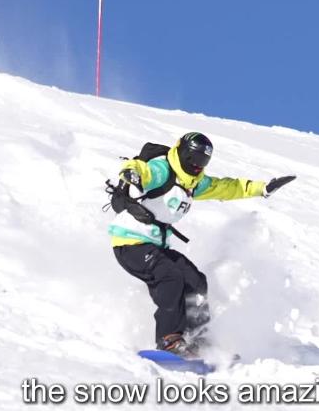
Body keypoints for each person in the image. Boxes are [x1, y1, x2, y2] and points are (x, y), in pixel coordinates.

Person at [107, 132, 296, 357]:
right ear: (181, 152)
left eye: (202, 160)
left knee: (195, 281)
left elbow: (228, 187)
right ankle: (169, 339)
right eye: (192, 158)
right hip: (130, 242)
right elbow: (141, 169)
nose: (196, 165)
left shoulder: (194, 183)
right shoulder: (164, 169)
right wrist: (132, 173)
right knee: (170, 277)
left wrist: (262, 188)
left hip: (155, 245)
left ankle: (198, 338)